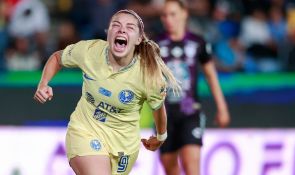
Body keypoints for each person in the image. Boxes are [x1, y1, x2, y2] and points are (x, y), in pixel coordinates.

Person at [33, 9, 180, 175]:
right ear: (108, 33)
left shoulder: (148, 74)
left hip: (124, 147)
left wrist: (161, 137)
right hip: (85, 131)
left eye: (129, 27)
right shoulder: (90, 51)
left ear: (139, 39)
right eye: (116, 25)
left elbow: (158, 108)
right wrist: (43, 83)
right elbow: (58, 58)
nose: (121, 30)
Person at [156, 1, 231, 175]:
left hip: (191, 113)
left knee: (191, 163)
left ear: (184, 13)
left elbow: (211, 75)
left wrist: (222, 108)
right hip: (164, 116)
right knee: (169, 166)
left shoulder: (198, 42)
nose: (168, 19)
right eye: (164, 15)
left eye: (173, 14)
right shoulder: (155, 44)